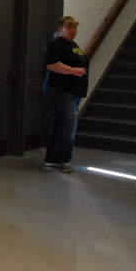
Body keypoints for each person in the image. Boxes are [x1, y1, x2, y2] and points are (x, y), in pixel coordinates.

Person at [43, 16, 89, 173]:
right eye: (69, 28)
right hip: (61, 89)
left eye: (75, 28)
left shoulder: (72, 45)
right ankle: (64, 159)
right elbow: (51, 64)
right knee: (69, 124)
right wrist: (73, 71)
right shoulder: (56, 45)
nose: (72, 31)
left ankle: (52, 158)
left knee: (60, 122)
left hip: (73, 91)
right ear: (61, 28)